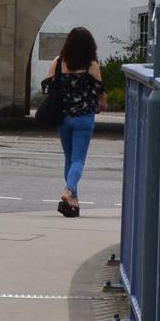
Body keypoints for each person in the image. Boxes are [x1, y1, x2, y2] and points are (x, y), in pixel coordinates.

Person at [44, 27, 105, 218]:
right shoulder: (91, 65)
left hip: (63, 118)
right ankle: (69, 190)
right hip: (84, 118)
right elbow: (100, 93)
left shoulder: (58, 62)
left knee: (69, 158)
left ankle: (73, 201)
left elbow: (46, 85)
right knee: (78, 160)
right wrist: (99, 103)